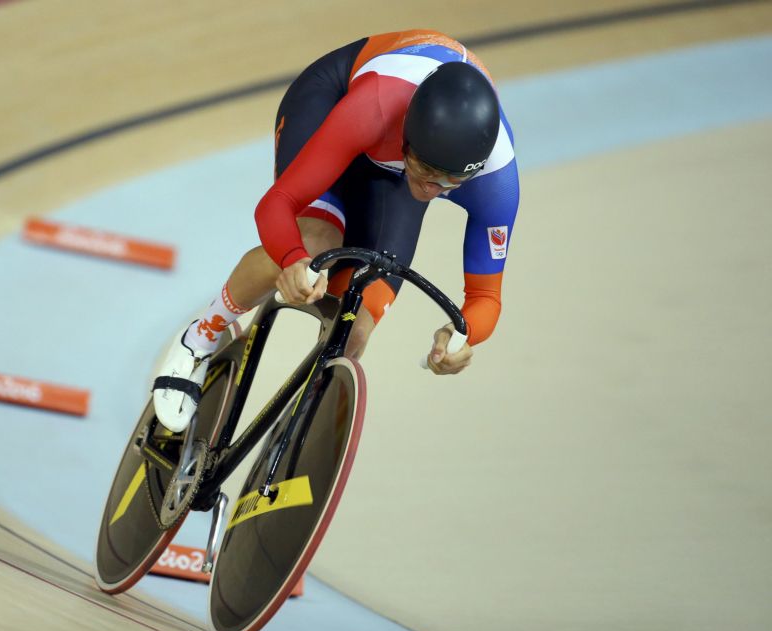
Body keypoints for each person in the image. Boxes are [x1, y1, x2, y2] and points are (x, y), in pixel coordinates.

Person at [152, 29, 520, 432]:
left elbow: (486, 297)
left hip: (394, 164)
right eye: (429, 174)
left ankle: (286, 442)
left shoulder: (497, 181)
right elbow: (276, 205)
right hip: (334, 101)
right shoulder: (374, 106)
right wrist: (293, 260)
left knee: (356, 326)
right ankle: (200, 336)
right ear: (408, 143)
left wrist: (463, 335)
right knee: (314, 243)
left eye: (450, 184)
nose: (433, 190)